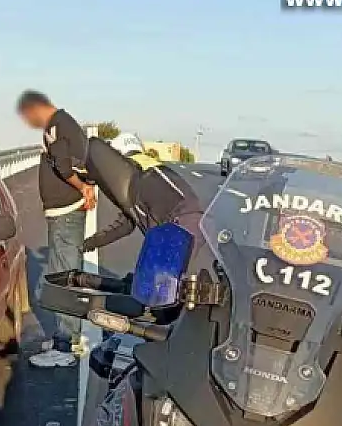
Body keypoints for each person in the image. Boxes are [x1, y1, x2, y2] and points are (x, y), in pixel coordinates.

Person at [16, 90, 96, 367]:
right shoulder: (64, 123)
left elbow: (64, 165)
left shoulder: (56, 125)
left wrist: (83, 188)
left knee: (65, 276)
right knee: (60, 271)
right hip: (63, 211)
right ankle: (65, 338)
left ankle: (66, 346)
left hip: (66, 211)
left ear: (37, 108)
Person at [79, 132, 203, 267]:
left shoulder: (139, 174)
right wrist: (91, 243)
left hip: (179, 226)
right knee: (171, 275)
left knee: (157, 279)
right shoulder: (151, 169)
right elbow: (126, 224)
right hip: (195, 224)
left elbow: (160, 214)